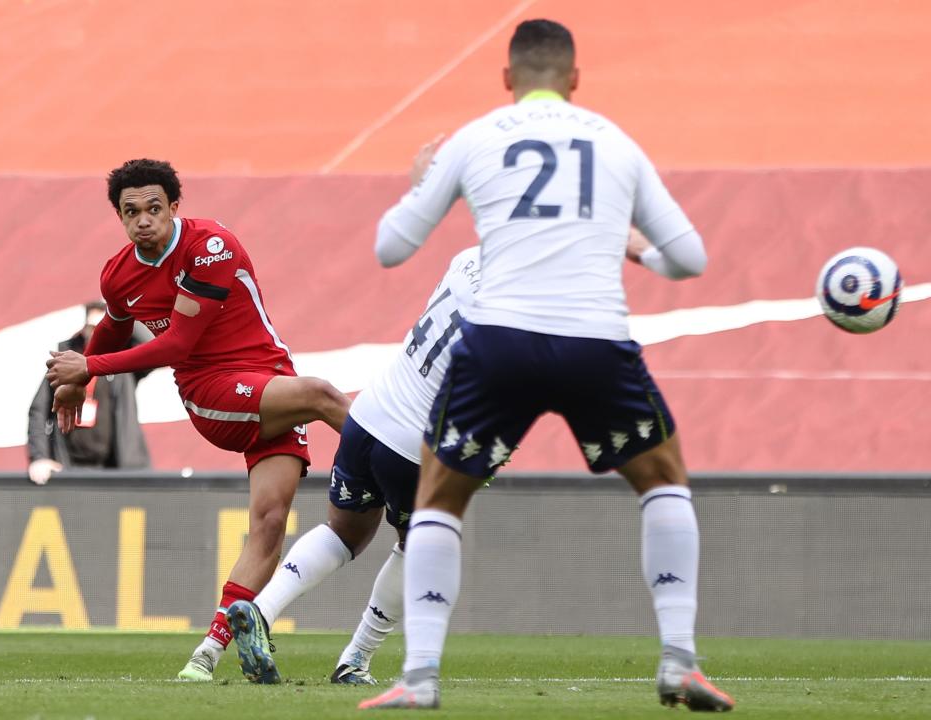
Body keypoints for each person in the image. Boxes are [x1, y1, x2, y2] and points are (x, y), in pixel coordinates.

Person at [359, 19, 734, 712]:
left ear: (507, 80)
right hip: (595, 340)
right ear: (576, 80)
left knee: (440, 500)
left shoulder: (475, 139)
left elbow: (389, 248)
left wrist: (422, 188)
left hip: (500, 342)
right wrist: (635, 252)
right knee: (663, 482)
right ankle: (680, 660)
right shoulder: (615, 142)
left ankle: (419, 678)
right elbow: (692, 259)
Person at [44, 158, 352, 682]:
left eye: (154, 208)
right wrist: (82, 379)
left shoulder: (210, 245)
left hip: (270, 383)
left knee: (271, 522)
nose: (143, 219)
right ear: (119, 217)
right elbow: (130, 335)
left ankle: (207, 655)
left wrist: (87, 368)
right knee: (323, 395)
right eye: (131, 211)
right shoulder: (119, 274)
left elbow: (175, 339)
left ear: (174, 208)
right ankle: (410, 466)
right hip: (213, 395)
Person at [225, 246, 481, 685]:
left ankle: (261, 610)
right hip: (415, 440)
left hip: (368, 413)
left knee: (344, 530)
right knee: (419, 546)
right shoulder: (522, 306)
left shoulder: (468, 258)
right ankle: (355, 659)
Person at [27, 301, 151, 485]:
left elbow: (149, 344)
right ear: (83, 328)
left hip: (116, 470)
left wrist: (122, 314)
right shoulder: (65, 362)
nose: (96, 333)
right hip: (68, 467)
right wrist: (39, 457)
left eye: (102, 327)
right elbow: (38, 411)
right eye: (93, 327)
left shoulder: (122, 363)